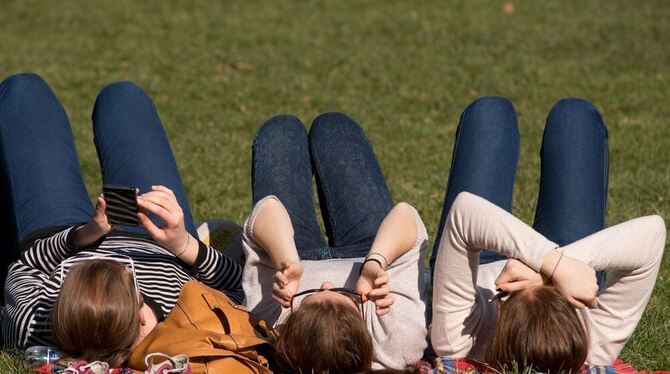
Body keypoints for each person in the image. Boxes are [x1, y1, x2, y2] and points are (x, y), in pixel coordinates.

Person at [0, 73, 243, 367]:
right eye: (128, 272)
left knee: (24, 89)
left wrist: (86, 235)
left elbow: (26, 265)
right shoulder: (182, 319)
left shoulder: (34, 322)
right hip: (160, 238)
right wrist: (184, 245)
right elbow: (240, 288)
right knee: (123, 96)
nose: (109, 255)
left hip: (64, 234)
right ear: (142, 314)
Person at [429, 97, 666, 371]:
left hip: (474, 267)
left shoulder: (460, 339)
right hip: (572, 269)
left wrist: (550, 266)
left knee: (489, 114)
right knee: (575, 117)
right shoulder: (591, 346)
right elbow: (652, 233)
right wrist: (552, 269)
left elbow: (466, 213)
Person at [242, 113, 428, 372]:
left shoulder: (272, 326)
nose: (327, 284)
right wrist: (376, 262)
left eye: (312, 294)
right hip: (368, 248)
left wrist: (287, 261)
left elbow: (266, 210)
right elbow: (407, 217)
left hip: (298, 253)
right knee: (334, 127)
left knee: (279, 132)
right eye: (343, 295)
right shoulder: (397, 344)